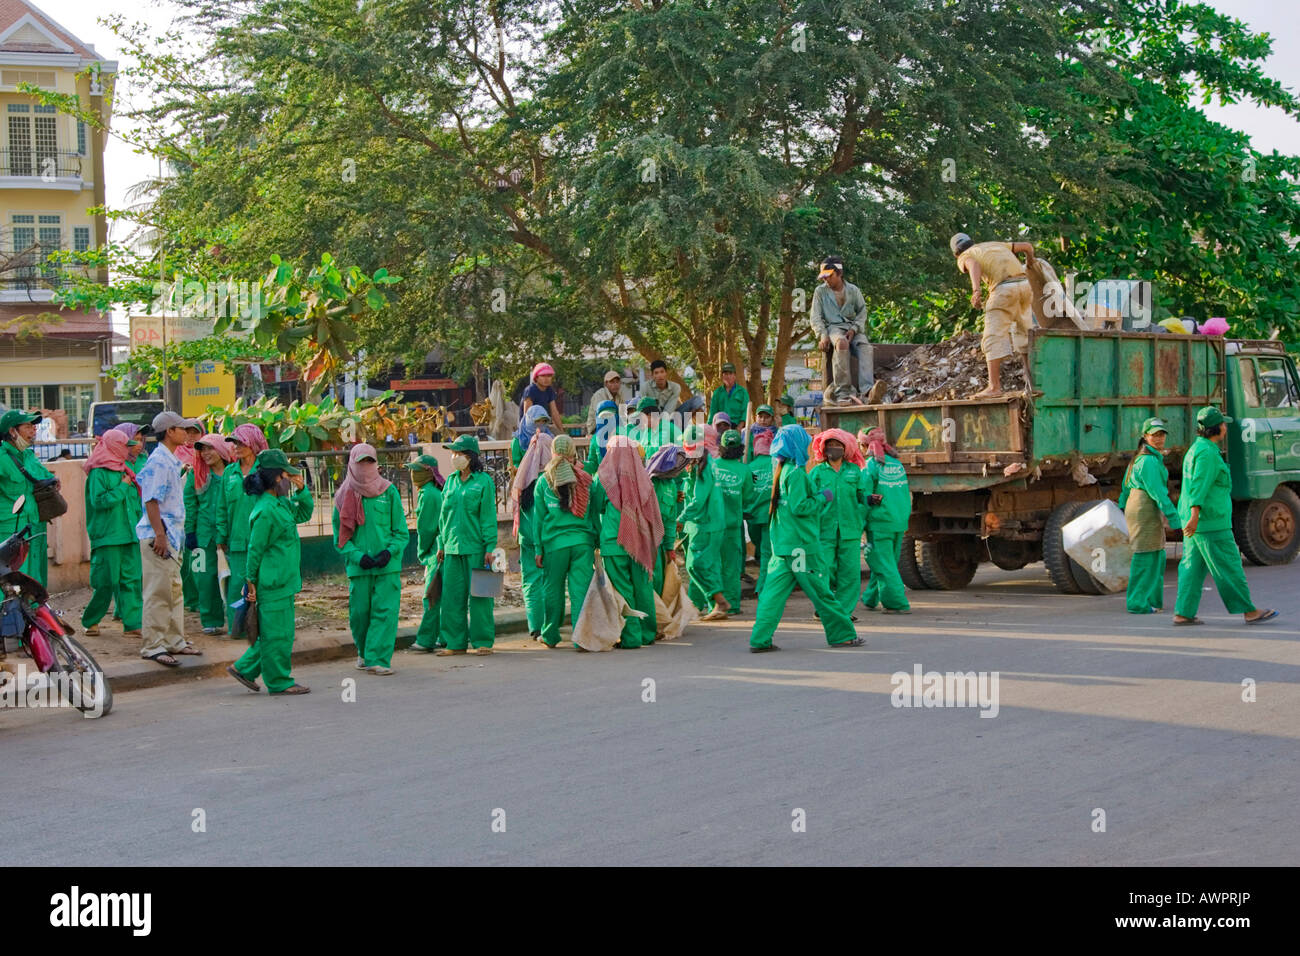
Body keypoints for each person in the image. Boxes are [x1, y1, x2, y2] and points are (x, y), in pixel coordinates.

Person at [749, 425, 865, 652]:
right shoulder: (796, 474)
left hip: (783, 546)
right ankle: (842, 636)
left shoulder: (781, 470)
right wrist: (822, 497)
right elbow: (800, 507)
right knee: (822, 593)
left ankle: (759, 640)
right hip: (801, 547)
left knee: (772, 596)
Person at [1173, 406, 1277, 626]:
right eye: (1223, 425)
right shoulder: (1208, 453)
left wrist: (1192, 517)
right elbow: (1199, 485)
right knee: (1229, 566)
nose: (1225, 428)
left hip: (1197, 524)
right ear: (1216, 428)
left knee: (1192, 568)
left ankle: (1183, 612)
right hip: (1210, 522)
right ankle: (1249, 611)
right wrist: (1195, 513)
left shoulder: (1195, 449)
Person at [226, 449, 313, 695]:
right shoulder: (265, 510)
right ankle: (278, 681)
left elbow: (304, 513)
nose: (290, 479)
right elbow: (255, 549)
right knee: (278, 635)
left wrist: (301, 489)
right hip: (272, 582)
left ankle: (243, 668)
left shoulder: (280, 503)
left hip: (284, 580)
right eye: (287, 475)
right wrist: (250, 581)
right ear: (277, 478)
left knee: (277, 632)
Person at [134, 410, 204, 667]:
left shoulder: (169, 460)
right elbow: (151, 501)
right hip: (160, 537)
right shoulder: (159, 462)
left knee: (173, 591)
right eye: (181, 428)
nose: (186, 432)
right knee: (157, 593)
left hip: (171, 536)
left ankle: (175, 640)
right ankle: (153, 645)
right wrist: (160, 535)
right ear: (169, 431)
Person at [332, 443, 410, 674]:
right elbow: (341, 538)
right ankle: (364, 652)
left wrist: (389, 552)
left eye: (370, 461)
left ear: (376, 463)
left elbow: (401, 532)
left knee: (385, 612)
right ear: (352, 464)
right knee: (360, 615)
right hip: (359, 567)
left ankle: (379, 659)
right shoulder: (343, 496)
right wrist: (358, 556)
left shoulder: (389, 491)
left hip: (388, 565)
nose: (365, 466)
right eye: (361, 462)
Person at [590, 435, 663, 648]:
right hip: (641, 542)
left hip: (614, 542)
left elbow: (596, 509)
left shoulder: (603, 478)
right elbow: (652, 513)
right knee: (643, 588)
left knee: (623, 590)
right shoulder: (644, 479)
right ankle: (648, 633)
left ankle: (631, 636)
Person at [951, 233, 1036, 398]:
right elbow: (1027, 246)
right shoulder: (995, 244)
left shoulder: (965, 256)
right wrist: (1030, 262)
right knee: (1025, 334)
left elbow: (974, 264)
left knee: (993, 336)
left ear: (956, 253)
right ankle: (1032, 381)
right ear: (971, 241)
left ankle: (994, 386)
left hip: (1004, 289)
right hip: (1025, 286)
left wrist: (976, 290)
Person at [436, 435, 498, 655]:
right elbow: (444, 517)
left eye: (459, 453)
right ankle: (454, 642)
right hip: (452, 548)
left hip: (477, 549)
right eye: (453, 453)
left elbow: (488, 516)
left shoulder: (484, 482)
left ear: (470, 456)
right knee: (452, 598)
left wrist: (490, 547)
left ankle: (483, 641)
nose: (454, 457)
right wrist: (441, 544)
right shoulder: (450, 482)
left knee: (481, 597)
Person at [80, 429, 143, 639]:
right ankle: (91, 620)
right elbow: (100, 501)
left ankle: (133, 623)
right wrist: (123, 487)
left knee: (132, 581)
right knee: (105, 582)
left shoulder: (126, 470)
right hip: (108, 536)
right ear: (115, 446)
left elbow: (135, 505)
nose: (129, 449)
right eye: (126, 445)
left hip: (130, 534)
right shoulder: (99, 472)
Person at [1118, 418, 1180, 615]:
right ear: (1145, 436)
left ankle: (1154, 600)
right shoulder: (1148, 461)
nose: (1159, 438)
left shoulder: (1142, 458)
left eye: (1161, 434)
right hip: (1143, 509)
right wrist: (1175, 519)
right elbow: (1159, 493)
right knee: (1145, 555)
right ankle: (1137, 602)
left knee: (1157, 554)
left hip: (1141, 507)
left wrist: (1122, 506)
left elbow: (1125, 488)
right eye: (1154, 435)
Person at [808, 428, 867, 619]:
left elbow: (861, 495)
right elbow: (809, 500)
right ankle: (825, 606)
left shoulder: (854, 471)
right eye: (830, 445)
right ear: (824, 449)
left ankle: (842, 612)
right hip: (824, 530)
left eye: (838, 445)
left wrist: (869, 499)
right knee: (824, 571)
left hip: (850, 530)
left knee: (849, 573)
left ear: (845, 448)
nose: (834, 448)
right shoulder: (816, 472)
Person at [509, 406, 554, 640]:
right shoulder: (551, 483)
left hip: (529, 534)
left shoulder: (524, 486)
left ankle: (537, 625)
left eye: (543, 421)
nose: (540, 427)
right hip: (548, 536)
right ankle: (545, 625)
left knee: (532, 579)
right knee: (549, 578)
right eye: (536, 422)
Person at [184, 433, 234, 636]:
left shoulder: (234, 474)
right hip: (201, 539)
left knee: (234, 578)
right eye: (202, 450)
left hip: (229, 537)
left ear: (221, 450)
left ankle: (234, 618)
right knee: (203, 578)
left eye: (210, 448)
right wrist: (190, 532)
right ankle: (210, 619)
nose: (205, 454)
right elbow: (189, 504)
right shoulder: (196, 475)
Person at [0, 409, 57, 587]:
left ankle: (32, 614)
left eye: (34, 426)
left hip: (34, 524)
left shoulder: (29, 456)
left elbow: (45, 477)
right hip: (10, 529)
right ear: (12, 431)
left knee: (35, 580)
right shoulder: (1, 459)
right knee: (13, 581)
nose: (34, 430)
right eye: (28, 426)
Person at [859, 427, 913, 614]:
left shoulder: (870, 466)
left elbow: (864, 497)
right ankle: (871, 597)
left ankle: (897, 603)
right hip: (898, 521)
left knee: (882, 563)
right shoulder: (896, 464)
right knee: (887, 561)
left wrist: (859, 523)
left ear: (865, 444)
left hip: (880, 523)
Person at [222, 424, 269, 633]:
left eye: (241, 442)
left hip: (263, 540)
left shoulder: (266, 471)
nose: (237, 447)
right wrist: (221, 535)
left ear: (253, 443)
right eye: (234, 443)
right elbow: (222, 507)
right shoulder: (229, 472)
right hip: (238, 539)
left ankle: (265, 628)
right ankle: (237, 629)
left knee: (264, 585)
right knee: (236, 587)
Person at [680, 424, 731, 621]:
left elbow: (698, 500)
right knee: (709, 565)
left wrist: (681, 518)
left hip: (705, 524)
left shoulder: (702, 467)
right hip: (713, 522)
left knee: (694, 565)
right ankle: (716, 605)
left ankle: (719, 600)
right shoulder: (709, 463)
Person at [810, 256, 872, 405]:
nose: (826, 280)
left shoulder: (853, 290)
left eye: (829, 276)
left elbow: (862, 312)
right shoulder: (820, 292)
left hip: (852, 327)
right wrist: (823, 335)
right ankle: (843, 392)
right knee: (842, 343)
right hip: (833, 328)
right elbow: (815, 317)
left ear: (839, 274)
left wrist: (855, 328)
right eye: (824, 277)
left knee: (865, 347)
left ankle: (868, 391)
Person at [403, 454, 446, 652]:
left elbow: (426, 529)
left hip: (435, 551)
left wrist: (423, 552)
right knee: (442, 596)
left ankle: (426, 639)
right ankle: (443, 636)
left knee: (431, 595)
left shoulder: (428, 494)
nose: (413, 474)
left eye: (416, 470)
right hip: (443, 548)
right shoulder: (435, 491)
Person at [712, 429, 750, 615]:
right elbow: (748, 498)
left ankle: (711, 603)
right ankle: (732, 605)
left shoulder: (711, 466)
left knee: (712, 563)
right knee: (731, 566)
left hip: (712, 524)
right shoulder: (744, 470)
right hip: (733, 525)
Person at [646, 444, 687, 594]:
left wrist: (670, 548)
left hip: (662, 543)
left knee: (661, 581)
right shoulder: (649, 482)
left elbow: (670, 520)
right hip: (648, 542)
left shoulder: (671, 485)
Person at [744, 428, 775, 596]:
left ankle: (762, 586)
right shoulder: (776, 465)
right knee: (767, 553)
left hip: (752, 517)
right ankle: (763, 586)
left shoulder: (749, 468)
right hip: (771, 516)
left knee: (764, 552)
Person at [521, 361, 564, 426]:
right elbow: (527, 415)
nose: (546, 379)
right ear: (536, 378)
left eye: (549, 376)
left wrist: (562, 433)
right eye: (543, 375)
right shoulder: (530, 390)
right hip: (527, 429)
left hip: (542, 426)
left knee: (559, 434)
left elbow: (554, 413)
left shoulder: (549, 390)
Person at [584, 399, 621, 474]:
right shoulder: (595, 439)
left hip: (622, 481)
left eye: (611, 416)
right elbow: (593, 464)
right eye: (604, 417)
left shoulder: (623, 436)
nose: (607, 420)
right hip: (602, 483)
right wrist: (579, 465)